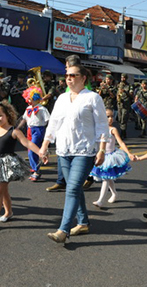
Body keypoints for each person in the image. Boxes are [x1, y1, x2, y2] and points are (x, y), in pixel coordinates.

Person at [39, 63, 109, 243]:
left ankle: (63, 230)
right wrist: (45, 145)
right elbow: (54, 123)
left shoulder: (93, 98)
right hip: (64, 149)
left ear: (83, 78)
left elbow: (102, 125)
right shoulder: (61, 98)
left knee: (71, 188)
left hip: (85, 151)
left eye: (73, 75)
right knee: (74, 188)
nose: (68, 78)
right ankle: (83, 222)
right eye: (67, 75)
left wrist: (101, 149)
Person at [90, 109, 134, 208]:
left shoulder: (112, 129)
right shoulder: (97, 129)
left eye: (111, 116)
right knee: (108, 178)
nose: (110, 119)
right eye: (107, 116)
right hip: (101, 156)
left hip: (111, 157)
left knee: (106, 178)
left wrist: (129, 153)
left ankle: (100, 200)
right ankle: (114, 193)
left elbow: (121, 142)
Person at [17, 85, 50, 182]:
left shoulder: (42, 109)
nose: (29, 101)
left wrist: (49, 134)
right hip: (29, 129)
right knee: (30, 150)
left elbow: (49, 121)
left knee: (33, 150)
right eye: (28, 99)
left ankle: (36, 171)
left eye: (31, 99)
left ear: (36, 99)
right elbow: (24, 119)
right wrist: (17, 129)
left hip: (39, 130)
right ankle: (34, 168)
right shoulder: (28, 108)